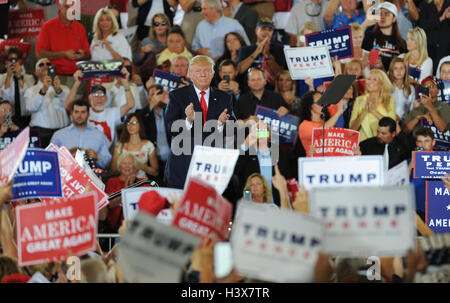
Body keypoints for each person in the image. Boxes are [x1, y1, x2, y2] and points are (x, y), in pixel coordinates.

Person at [164, 55, 236, 188]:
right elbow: (169, 128)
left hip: (212, 167)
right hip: (183, 165)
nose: (203, 74)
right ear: (190, 74)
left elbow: (233, 128)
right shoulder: (177, 96)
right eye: (198, 71)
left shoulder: (224, 97)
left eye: (207, 70)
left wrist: (220, 125)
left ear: (213, 74)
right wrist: (187, 121)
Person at [64, 68, 135, 147]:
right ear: (90, 98)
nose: (99, 98)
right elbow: (67, 106)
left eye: (102, 95)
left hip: (106, 155)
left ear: (106, 99)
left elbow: (130, 104)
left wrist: (125, 83)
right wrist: (77, 83)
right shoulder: (83, 112)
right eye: (96, 95)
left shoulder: (112, 113)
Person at [35, 0, 91, 87]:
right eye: (67, 7)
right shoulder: (47, 27)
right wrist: (64, 54)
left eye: (73, 7)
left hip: (77, 77)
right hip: (55, 77)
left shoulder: (80, 28)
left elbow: (88, 55)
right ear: (59, 7)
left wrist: (82, 55)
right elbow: (39, 54)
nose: (70, 10)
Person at [50, 99, 112, 170]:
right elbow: (50, 159)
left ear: (88, 114)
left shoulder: (99, 135)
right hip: (65, 175)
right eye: (76, 112)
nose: (79, 115)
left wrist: (97, 157)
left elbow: (108, 162)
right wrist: (65, 157)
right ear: (71, 113)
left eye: (83, 112)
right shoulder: (59, 135)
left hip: (92, 177)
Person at [24, 58, 70, 149]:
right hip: (41, 133)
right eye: (41, 65)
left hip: (62, 131)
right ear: (36, 72)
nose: (45, 66)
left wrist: (59, 91)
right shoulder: (31, 90)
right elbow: (31, 108)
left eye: (48, 64)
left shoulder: (64, 88)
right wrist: (44, 89)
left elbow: (69, 106)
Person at [236, 18, 287, 91]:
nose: (266, 32)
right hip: (249, 91)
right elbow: (240, 70)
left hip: (272, 91)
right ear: (256, 30)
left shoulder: (279, 49)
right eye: (263, 29)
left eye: (270, 30)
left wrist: (267, 55)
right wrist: (257, 51)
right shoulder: (245, 49)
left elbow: (280, 74)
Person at [101, 153, 145, 234]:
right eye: (124, 163)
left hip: (138, 229)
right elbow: (110, 204)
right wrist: (126, 190)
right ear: (119, 167)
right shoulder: (112, 181)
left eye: (130, 163)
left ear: (135, 167)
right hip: (118, 229)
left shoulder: (143, 182)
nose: (127, 166)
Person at [136, 83, 171, 184]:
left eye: (157, 94)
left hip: (172, 160)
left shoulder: (171, 111)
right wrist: (152, 104)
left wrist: (169, 103)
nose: (154, 97)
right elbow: (138, 119)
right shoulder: (144, 114)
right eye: (151, 94)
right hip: (153, 163)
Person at [349, 69, 396, 142]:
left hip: (381, 141)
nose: (370, 82)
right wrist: (364, 112)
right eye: (368, 79)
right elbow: (352, 129)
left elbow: (392, 125)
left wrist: (374, 112)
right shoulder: (359, 100)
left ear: (381, 83)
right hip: (362, 142)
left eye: (374, 79)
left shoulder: (389, 100)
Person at [111, 113, 159, 180]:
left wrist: (143, 167)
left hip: (141, 182)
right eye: (128, 123)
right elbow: (113, 170)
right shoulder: (120, 145)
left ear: (140, 124)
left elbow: (156, 172)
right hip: (124, 181)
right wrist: (126, 168)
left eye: (133, 122)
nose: (130, 126)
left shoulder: (148, 145)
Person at [361, 2, 407, 71]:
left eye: (386, 14)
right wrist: (364, 25)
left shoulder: (402, 44)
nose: (382, 17)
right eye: (380, 14)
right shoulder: (369, 37)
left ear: (394, 18)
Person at [297, 91, 345, 156]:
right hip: (314, 163)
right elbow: (320, 131)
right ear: (310, 105)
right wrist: (338, 113)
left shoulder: (326, 121)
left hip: (330, 162)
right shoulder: (304, 125)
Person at [0, 48, 35, 128]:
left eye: (15, 59)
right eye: (10, 60)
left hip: (26, 116)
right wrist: (8, 76)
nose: (13, 62)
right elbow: (4, 97)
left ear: (20, 61)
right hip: (8, 117)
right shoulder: (1, 78)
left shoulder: (29, 77)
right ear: (6, 62)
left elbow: (28, 94)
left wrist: (19, 77)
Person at [417, 0, 450, 75]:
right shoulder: (425, 3)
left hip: (446, 48)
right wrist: (440, 18)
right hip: (429, 47)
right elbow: (422, 25)